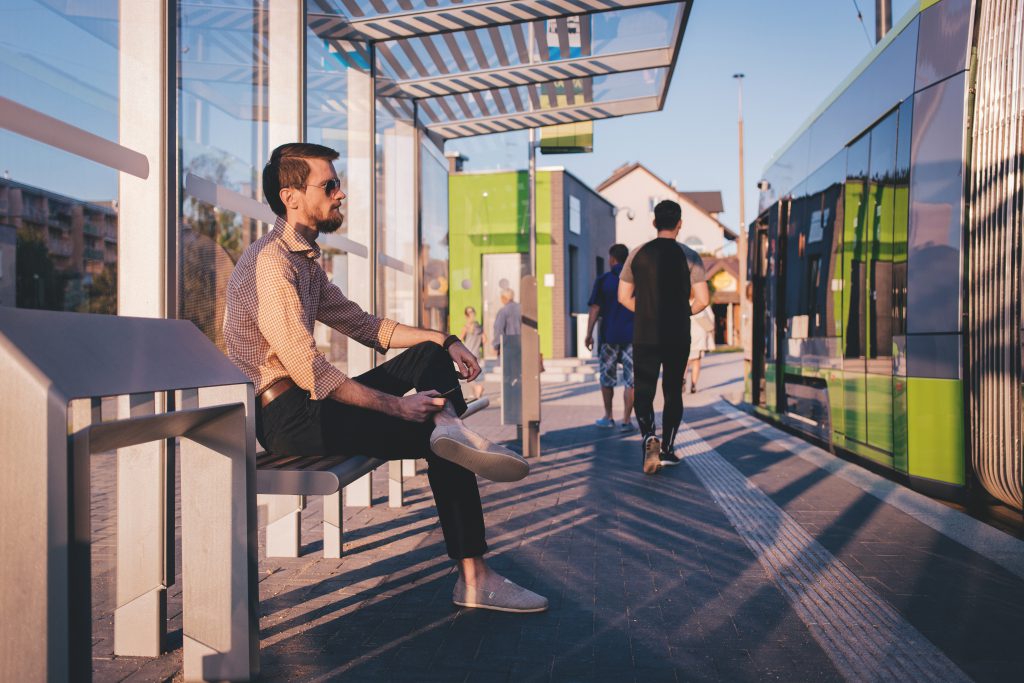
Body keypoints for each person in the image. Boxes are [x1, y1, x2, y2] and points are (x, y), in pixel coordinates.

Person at [223, 142, 546, 613]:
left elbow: (366, 325)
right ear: (291, 195)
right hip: (287, 417)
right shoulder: (271, 264)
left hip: (308, 404)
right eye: (330, 185)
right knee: (437, 440)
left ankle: (449, 426)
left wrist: (446, 338)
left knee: (427, 356)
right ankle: (475, 576)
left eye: (338, 184)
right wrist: (397, 406)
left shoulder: (302, 261)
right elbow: (308, 369)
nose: (341, 194)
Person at [618, 199, 710, 475]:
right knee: (673, 391)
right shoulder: (690, 256)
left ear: (654, 223)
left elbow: (623, 297)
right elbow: (703, 300)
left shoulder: (637, 254)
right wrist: (683, 312)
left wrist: (647, 311)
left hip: (645, 333)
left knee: (644, 389)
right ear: (679, 224)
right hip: (677, 333)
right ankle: (668, 449)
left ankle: (648, 436)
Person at [585, 243, 635, 431]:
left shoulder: (603, 280)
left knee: (607, 377)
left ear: (612, 259)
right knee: (632, 380)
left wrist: (589, 334)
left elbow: (595, 308)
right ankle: (627, 420)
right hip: (633, 336)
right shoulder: (635, 280)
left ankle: (608, 416)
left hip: (609, 336)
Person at [687, 305, 716, 393]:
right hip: (698, 336)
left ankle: (682, 381)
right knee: (696, 361)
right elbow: (707, 318)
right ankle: (693, 384)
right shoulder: (701, 301)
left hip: (686, 334)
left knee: (685, 361)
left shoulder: (682, 299)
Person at [461, 306, 486, 400]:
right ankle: (475, 393)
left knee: (468, 374)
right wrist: (477, 342)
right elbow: (485, 340)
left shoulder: (466, 327)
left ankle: (477, 388)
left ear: (466, 316)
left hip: (468, 352)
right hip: (477, 353)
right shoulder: (479, 327)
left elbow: (460, 340)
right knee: (473, 373)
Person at [491, 287, 521, 355]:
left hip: (507, 345)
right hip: (521, 343)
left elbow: (498, 329)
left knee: (506, 364)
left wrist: (496, 345)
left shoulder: (503, 311)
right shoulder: (521, 308)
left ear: (504, 298)